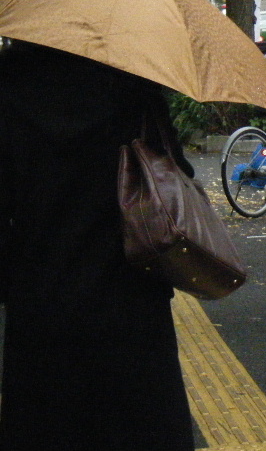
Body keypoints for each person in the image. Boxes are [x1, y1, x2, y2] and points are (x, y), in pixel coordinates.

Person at [0, 40, 195, 450]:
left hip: (42, 301)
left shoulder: (9, 85)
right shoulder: (131, 81)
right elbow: (176, 172)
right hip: (131, 294)